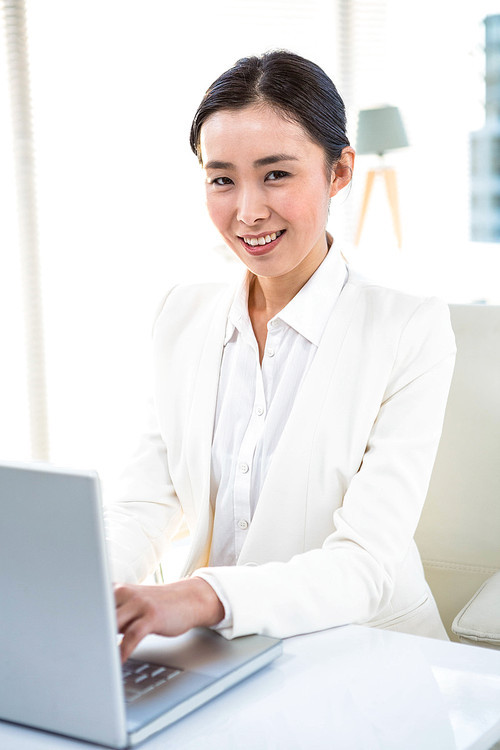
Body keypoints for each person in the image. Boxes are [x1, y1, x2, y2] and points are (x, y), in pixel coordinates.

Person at [105, 51, 456, 663]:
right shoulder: (182, 316)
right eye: (222, 179)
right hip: (220, 657)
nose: (248, 212)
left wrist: (202, 595)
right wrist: (85, 591)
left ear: (340, 171)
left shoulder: (410, 328)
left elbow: (365, 563)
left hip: (371, 655)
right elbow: (145, 502)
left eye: (276, 175)